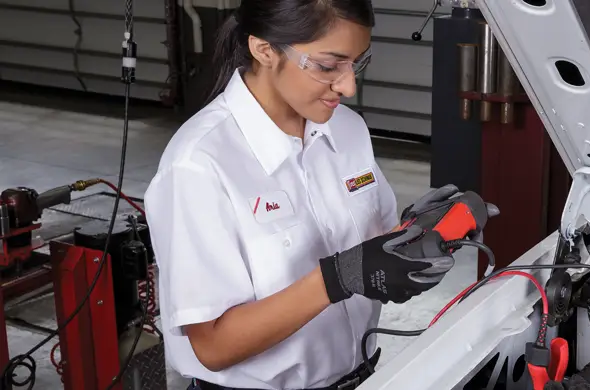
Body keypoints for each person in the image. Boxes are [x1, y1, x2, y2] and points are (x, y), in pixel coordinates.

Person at [143, 1, 490, 389]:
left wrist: (416, 233)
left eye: (357, 62)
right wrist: (336, 279)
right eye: (328, 66)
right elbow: (213, 346)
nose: (348, 86)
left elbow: (368, 250)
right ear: (264, 50)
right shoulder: (199, 165)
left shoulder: (347, 129)